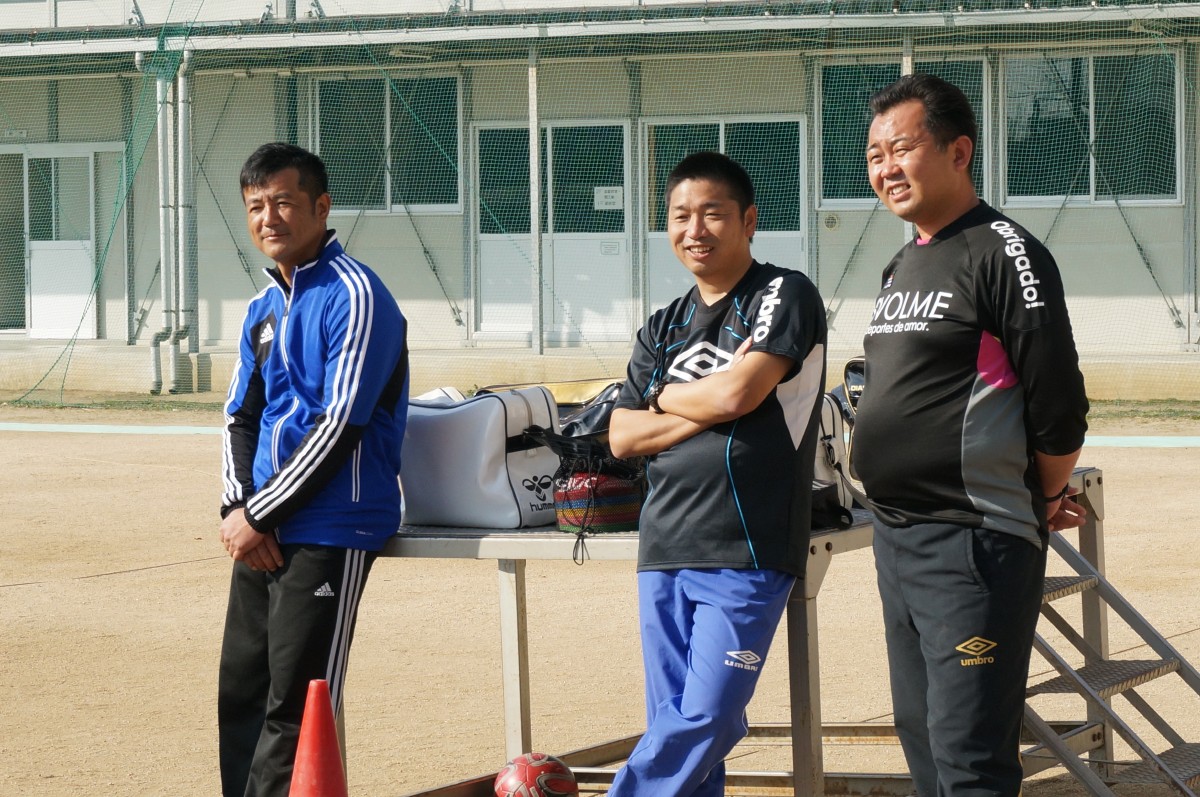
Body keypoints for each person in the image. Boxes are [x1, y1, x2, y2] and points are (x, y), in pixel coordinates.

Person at [854, 73, 1089, 797]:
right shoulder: (903, 262)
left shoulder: (1005, 252)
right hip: (896, 537)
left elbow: (1058, 402)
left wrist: (1045, 495)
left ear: (959, 152)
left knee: (970, 758)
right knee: (923, 740)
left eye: (902, 148)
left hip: (971, 541)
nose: (886, 168)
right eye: (874, 155)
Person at [607, 151, 827, 796]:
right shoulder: (663, 327)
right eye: (680, 216)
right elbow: (622, 436)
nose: (694, 229)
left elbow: (740, 394)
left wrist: (665, 400)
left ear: (748, 220)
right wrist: (702, 402)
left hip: (747, 546)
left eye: (712, 214)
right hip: (664, 546)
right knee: (673, 723)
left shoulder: (783, 293)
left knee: (707, 715)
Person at [217, 142, 409, 797]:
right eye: (255, 206)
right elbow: (239, 416)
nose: (268, 218)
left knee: (298, 706)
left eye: (283, 202)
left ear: (321, 207)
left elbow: (341, 424)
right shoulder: (261, 309)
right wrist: (238, 508)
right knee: (242, 694)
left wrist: (260, 513)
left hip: (333, 525)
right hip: (262, 529)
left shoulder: (357, 293)